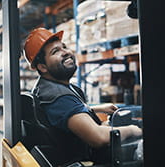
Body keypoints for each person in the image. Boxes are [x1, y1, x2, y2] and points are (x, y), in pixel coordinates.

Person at [23, 28, 142, 163]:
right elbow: (98, 138)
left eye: (64, 47)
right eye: (55, 52)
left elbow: (65, 113)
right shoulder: (59, 97)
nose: (66, 53)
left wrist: (95, 109)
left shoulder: (50, 88)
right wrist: (133, 130)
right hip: (85, 159)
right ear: (42, 67)